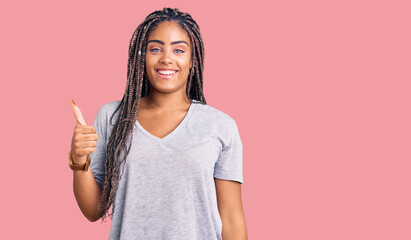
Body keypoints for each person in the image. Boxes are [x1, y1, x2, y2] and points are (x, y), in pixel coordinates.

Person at [69, 7, 247, 240]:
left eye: (179, 50)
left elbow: (232, 217)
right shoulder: (112, 117)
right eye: (155, 49)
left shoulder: (220, 125)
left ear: (192, 59)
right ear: (142, 57)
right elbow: (93, 210)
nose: (166, 58)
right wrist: (79, 161)